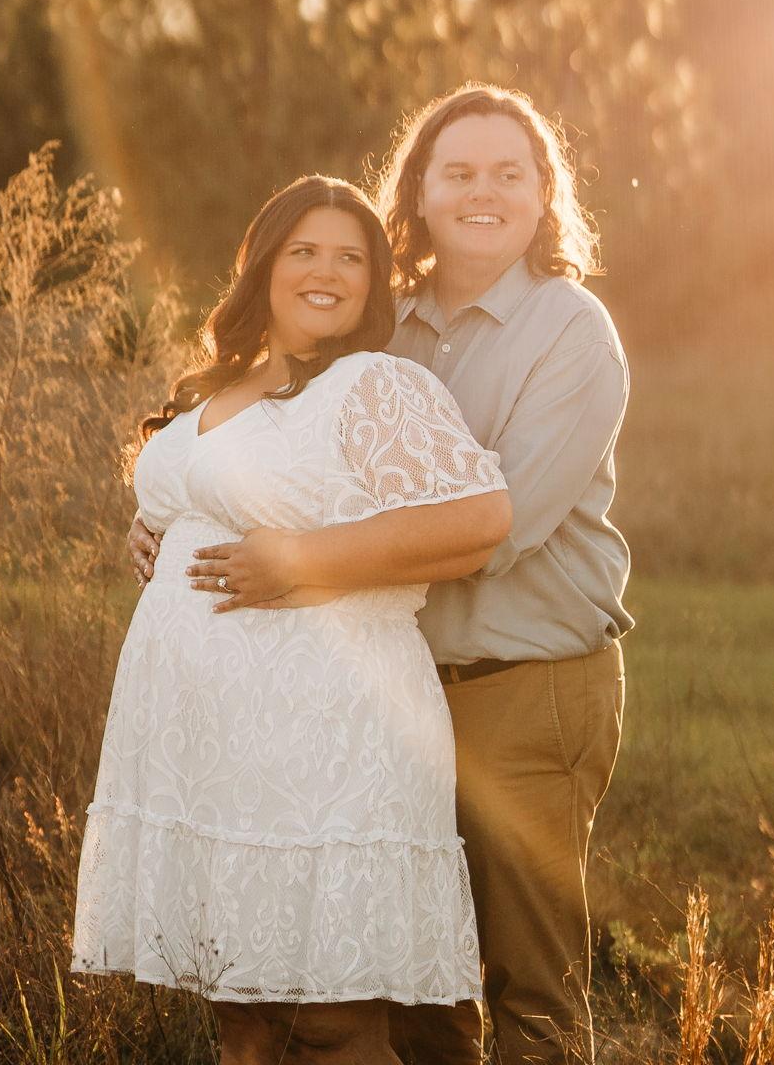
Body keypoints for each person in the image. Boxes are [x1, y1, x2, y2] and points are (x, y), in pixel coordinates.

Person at [141, 87, 631, 1065]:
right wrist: (183, 524)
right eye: (456, 171)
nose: (480, 191)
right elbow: (281, 442)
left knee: (529, 989)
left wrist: (290, 558)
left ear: (544, 195)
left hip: (522, 686)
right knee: (417, 975)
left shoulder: (570, 332)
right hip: (385, 693)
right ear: (418, 189)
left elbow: (495, 528)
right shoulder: (379, 314)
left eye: (507, 172)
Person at [72, 174, 514, 1065]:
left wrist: (300, 561)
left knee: (333, 1022)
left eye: (351, 257)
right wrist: (155, 522)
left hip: (324, 737)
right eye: (304, 250)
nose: (327, 271)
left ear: (373, 284)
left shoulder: (374, 385)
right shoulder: (219, 387)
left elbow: (478, 520)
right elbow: (214, 487)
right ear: (261, 266)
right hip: (213, 750)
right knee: (241, 1014)